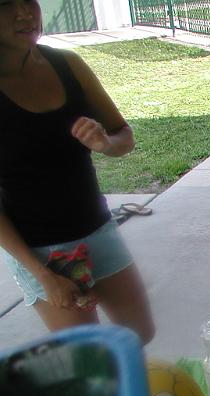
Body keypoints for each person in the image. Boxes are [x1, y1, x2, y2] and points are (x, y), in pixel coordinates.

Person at [0, 0, 154, 343]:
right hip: (42, 250)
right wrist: (43, 276)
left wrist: (105, 144)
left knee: (138, 335)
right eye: (7, 4)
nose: (25, 12)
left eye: (29, 1)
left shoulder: (67, 63)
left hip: (96, 227)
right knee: (92, 361)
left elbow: (122, 136)